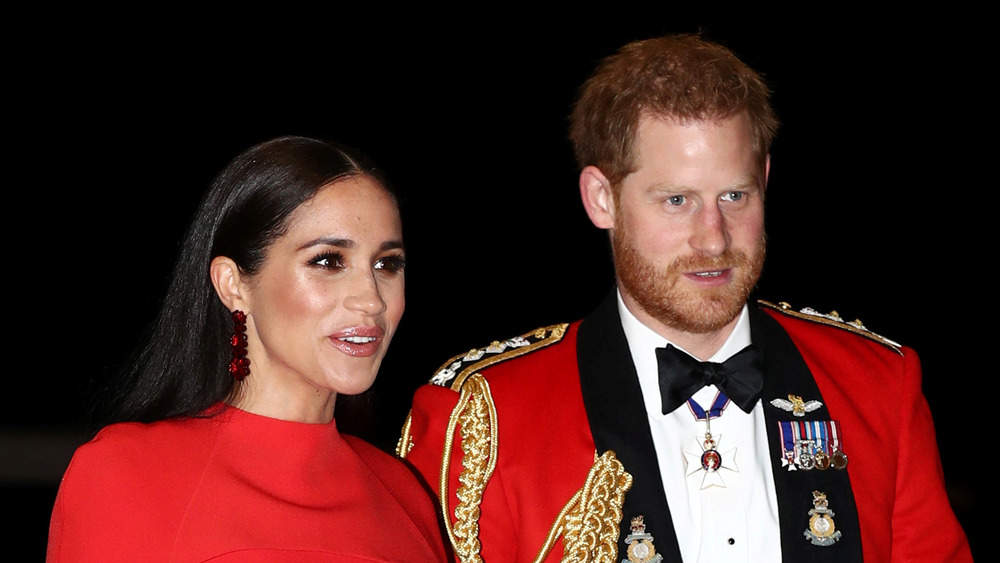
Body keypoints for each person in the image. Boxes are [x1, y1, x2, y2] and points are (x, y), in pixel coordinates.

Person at [396, 35, 973, 562]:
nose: (714, 237)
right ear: (602, 199)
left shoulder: (877, 384)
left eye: (734, 195)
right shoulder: (482, 419)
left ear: (765, 180)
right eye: (677, 201)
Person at [46, 136, 449, 562]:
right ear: (233, 284)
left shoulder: (405, 493)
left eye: (387, 264)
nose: (371, 299)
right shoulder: (127, 473)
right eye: (329, 261)